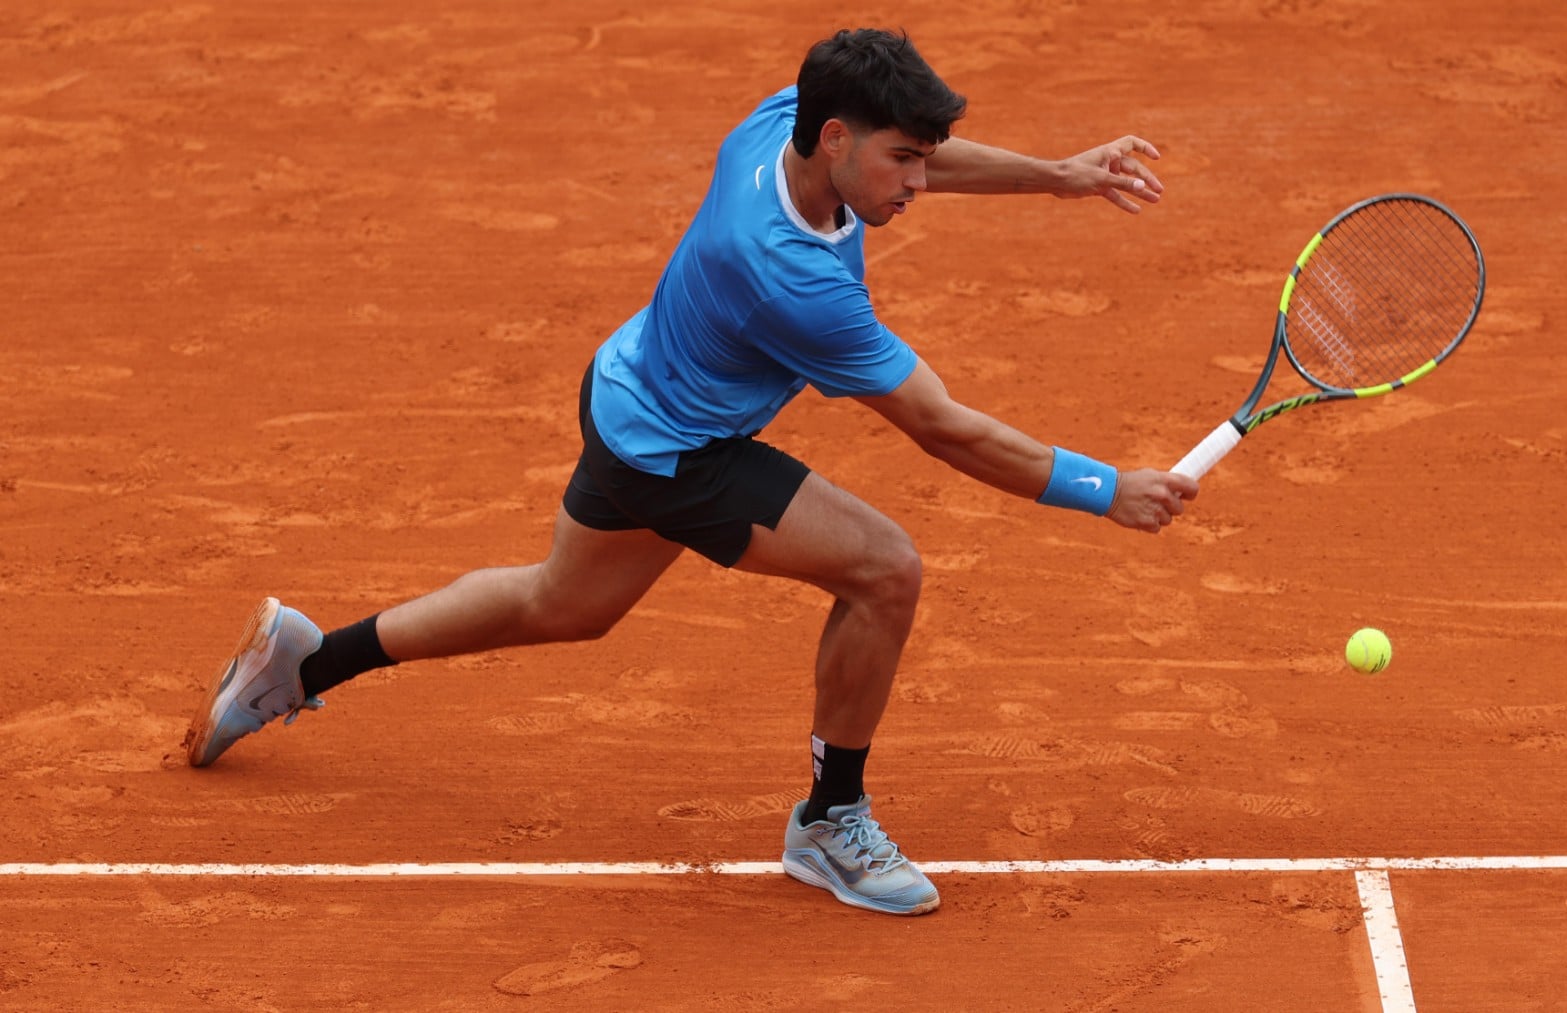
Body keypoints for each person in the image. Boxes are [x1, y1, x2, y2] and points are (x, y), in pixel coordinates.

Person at [184, 27, 1198, 916]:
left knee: (560, 604)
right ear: (836, 140)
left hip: (627, 391)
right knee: (885, 568)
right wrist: (1106, 487)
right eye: (902, 162)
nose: (919, 184)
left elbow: (923, 152)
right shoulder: (790, 277)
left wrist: (1060, 174)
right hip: (680, 454)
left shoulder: (781, 123)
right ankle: (831, 817)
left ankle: (305, 663)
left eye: (921, 159)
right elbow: (943, 428)